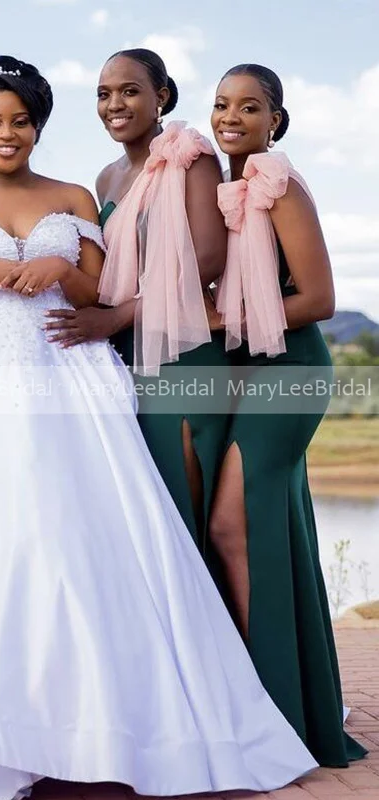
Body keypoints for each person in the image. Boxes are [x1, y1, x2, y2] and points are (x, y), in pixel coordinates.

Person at [0, 55, 317, 800]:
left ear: (38, 126)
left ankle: (97, 726)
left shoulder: (74, 192)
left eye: (21, 121)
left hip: (68, 367)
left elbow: (105, 290)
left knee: (81, 537)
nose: (7, 133)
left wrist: (55, 273)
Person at [207, 62, 367, 767]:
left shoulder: (280, 187)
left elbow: (320, 299)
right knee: (273, 526)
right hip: (247, 374)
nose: (232, 118)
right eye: (221, 105)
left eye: (250, 107)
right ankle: (286, 693)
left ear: (276, 120)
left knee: (230, 522)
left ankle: (269, 706)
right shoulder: (228, 191)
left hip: (291, 371)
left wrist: (215, 321)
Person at [44, 48, 229, 548]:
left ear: (161, 97)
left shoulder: (192, 156)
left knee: (183, 504)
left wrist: (117, 317)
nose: (114, 104)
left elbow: (207, 259)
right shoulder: (105, 179)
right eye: (103, 94)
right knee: (140, 513)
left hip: (182, 350)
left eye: (129, 91)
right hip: (122, 355)